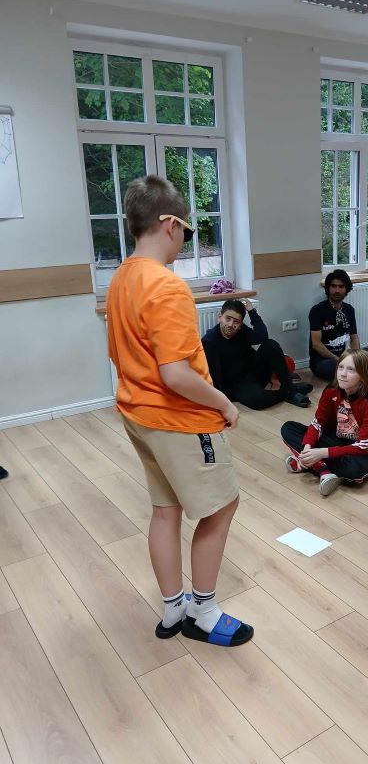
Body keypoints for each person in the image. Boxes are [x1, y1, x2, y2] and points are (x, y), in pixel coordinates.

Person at [106, 175, 253, 647]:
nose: (184, 241)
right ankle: (202, 612)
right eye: (186, 231)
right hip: (178, 420)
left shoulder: (121, 278)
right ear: (170, 224)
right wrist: (224, 403)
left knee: (165, 510)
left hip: (138, 415)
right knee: (222, 506)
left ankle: (173, 608)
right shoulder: (166, 287)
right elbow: (175, 374)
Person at [281, 349, 368, 497]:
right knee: (288, 428)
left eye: (351, 370)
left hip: (362, 451)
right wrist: (307, 448)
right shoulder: (331, 390)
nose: (343, 374)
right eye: (340, 367)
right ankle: (323, 470)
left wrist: (321, 453)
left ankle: (310, 463)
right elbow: (318, 423)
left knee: (354, 470)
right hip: (335, 441)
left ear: (364, 375)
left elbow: (364, 446)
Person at [202, 298, 311, 410]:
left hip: (253, 374)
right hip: (235, 385)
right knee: (258, 400)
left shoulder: (241, 331)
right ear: (220, 317)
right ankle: (288, 391)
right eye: (228, 319)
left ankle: (289, 389)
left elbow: (262, 337)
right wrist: (223, 400)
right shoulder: (210, 342)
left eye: (236, 322)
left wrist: (251, 311)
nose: (230, 324)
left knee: (270, 345)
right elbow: (214, 375)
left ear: (240, 324)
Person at [308, 269, 368, 380]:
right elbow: (316, 344)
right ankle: (365, 372)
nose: (337, 290)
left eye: (341, 287)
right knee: (330, 367)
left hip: (345, 357)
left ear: (346, 289)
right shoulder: (317, 310)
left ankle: (356, 371)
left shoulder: (349, 309)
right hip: (324, 360)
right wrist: (339, 360)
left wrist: (355, 356)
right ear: (328, 288)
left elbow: (354, 337)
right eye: (333, 286)